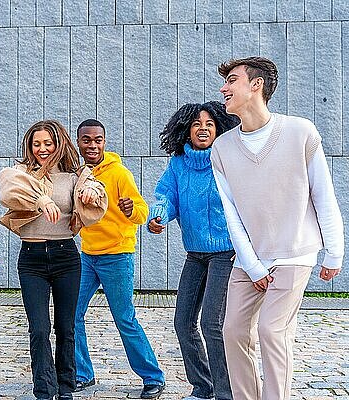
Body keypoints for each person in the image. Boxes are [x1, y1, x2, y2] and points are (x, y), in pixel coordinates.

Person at [211, 56, 344, 400]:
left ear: (256, 85)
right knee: (233, 332)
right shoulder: (222, 148)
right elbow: (232, 214)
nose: (224, 88)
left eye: (232, 80)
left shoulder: (300, 132)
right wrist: (252, 265)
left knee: (272, 330)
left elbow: (323, 195)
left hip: (294, 253)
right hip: (248, 259)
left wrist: (334, 252)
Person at [0, 120, 107, 400]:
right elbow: (8, 187)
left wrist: (91, 193)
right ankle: (44, 390)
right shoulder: (22, 172)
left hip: (65, 257)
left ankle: (66, 387)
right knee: (39, 328)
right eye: (37, 144)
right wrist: (40, 200)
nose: (42, 149)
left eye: (48, 143)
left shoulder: (74, 174)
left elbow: (95, 191)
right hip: (32, 259)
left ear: (59, 144)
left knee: (66, 327)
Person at [147, 102, 240, 400]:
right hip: (195, 255)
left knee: (212, 323)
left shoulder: (228, 160)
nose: (203, 128)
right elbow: (165, 195)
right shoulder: (178, 164)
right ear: (186, 130)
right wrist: (158, 215)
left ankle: (226, 393)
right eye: (197, 123)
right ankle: (203, 387)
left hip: (227, 254)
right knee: (183, 322)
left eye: (210, 124)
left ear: (220, 130)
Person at [74, 119, 166, 399]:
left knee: (124, 318)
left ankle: (153, 377)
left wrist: (129, 210)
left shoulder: (119, 173)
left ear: (104, 141)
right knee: (71, 315)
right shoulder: (78, 173)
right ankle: (82, 374)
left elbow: (141, 211)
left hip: (117, 255)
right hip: (87, 256)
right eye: (86, 140)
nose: (92, 145)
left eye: (97, 140)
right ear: (79, 143)